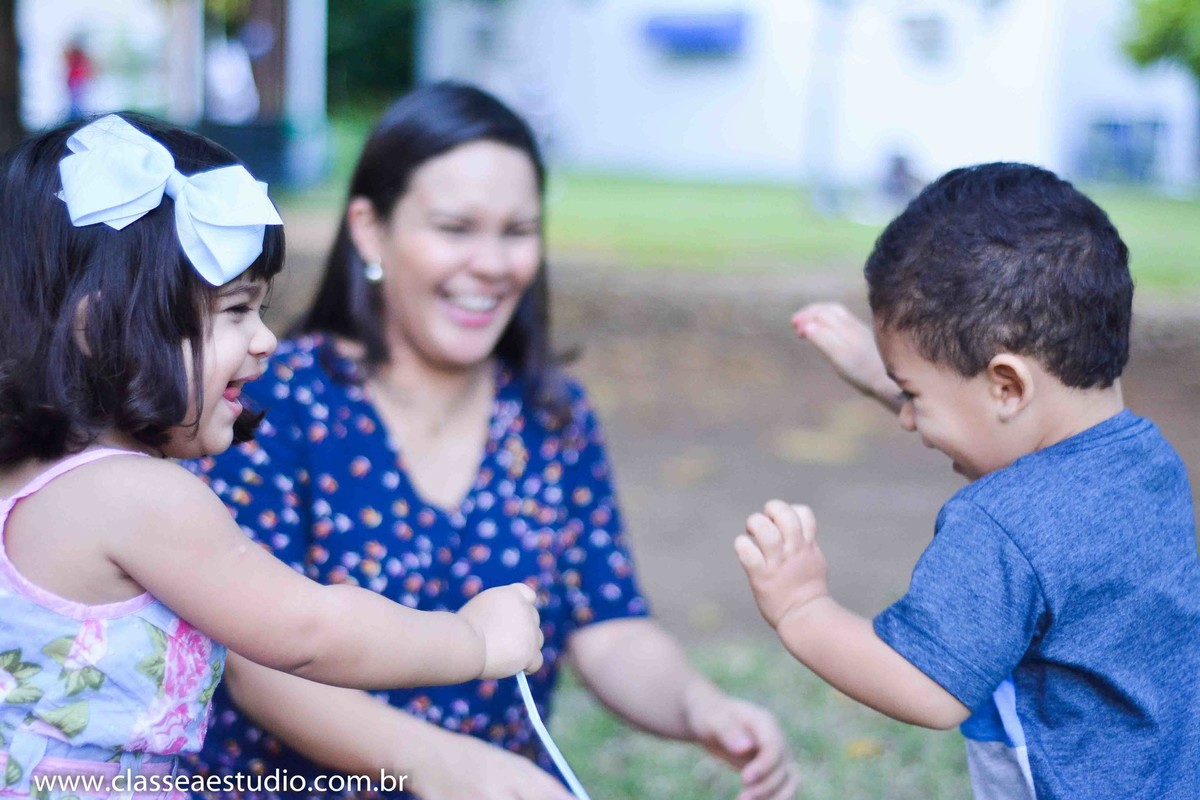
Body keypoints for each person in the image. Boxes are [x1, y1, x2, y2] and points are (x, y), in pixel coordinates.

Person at [182, 82, 798, 800]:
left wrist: (700, 707)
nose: (491, 263)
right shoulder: (269, 402)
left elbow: (607, 626)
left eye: (517, 231)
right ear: (370, 231)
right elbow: (256, 662)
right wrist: (447, 767)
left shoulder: (552, 415)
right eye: (455, 228)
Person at [0, 113, 543, 799]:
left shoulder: (32, 482)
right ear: (98, 327)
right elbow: (308, 630)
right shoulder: (137, 497)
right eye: (235, 310)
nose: (265, 341)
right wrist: (473, 640)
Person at [736, 163, 1200, 800]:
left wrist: (801, 607)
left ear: (1007, 385)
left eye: (913, 397)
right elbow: (1009, 442)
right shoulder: (1150, 462)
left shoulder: (1000, 526)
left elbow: (925, 685)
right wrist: (893, 378)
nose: (908, 419)